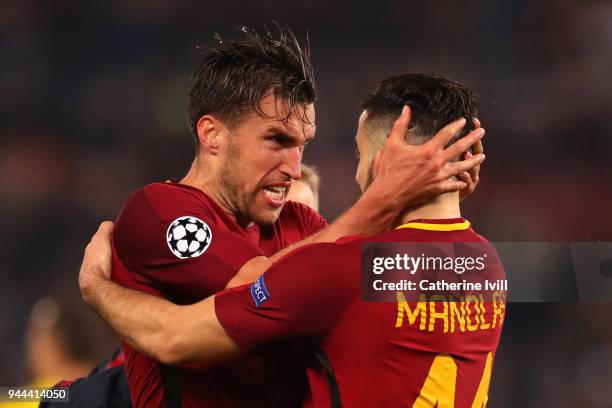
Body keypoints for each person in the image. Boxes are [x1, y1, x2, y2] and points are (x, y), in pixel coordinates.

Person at [80, 73, 499, 407]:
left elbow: (175, 337)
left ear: (384, 160)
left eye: (356, 155)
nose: (297, 168)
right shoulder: (488, 264)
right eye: (278, 140)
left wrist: (96, 288)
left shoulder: (337, 267)